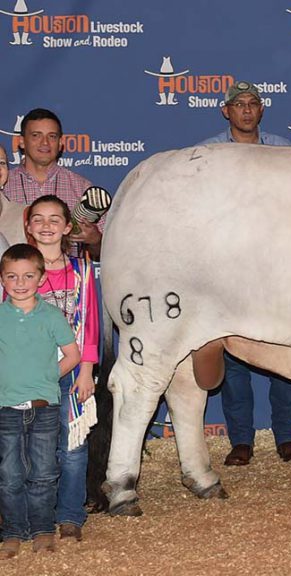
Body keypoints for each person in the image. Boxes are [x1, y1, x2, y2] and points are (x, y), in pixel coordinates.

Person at [198, 81, 291, 464]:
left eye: (253, 103)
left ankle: (287, 437)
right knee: (232, 356)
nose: (246, 109)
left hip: (278, 265)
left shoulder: (283, 149)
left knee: (284, 351)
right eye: (239, 104)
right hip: (228, 267)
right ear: (225, 111)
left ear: (262, 110)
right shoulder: (208, 154)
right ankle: (241, 440)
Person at [0, 244, 81, 558]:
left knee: (44, 473)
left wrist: (48, 378)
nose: (20, 283)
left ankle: (43, 530)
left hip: (45, 408)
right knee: (9, 475)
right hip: (5, 409)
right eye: (12, 276)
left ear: (40, 278)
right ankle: (12, 533)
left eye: (28, 276)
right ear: (3, 280)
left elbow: (72, 355)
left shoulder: (52, 316)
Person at [26, 195, 98, 541]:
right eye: (38, 219)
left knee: (73, 447)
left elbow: (93, 324)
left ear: (68, 227)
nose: (47, 226)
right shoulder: (18, 271)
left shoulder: (82, 270)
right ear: (28, 226)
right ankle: (37, 516)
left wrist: (87, 371)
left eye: (55, 219)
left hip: (72, 373)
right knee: (33, 448)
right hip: (30, 372)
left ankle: (71, 515)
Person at [3, 108, 102, 259]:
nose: (45, 142)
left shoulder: (81, 188)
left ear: (61, 143)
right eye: (36, 135)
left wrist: (95, 240)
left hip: (68, 280)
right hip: (16, 280)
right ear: (21, 141)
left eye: (52, 136)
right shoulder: (4, 184)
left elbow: (107, 252)